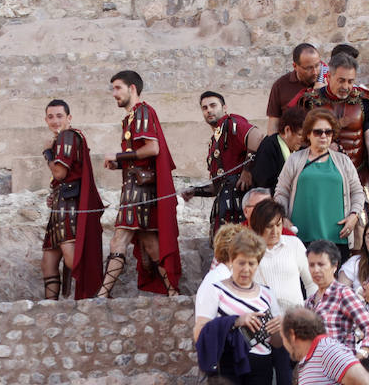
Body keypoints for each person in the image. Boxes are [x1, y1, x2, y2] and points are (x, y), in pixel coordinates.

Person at [193, 229, 282, 385]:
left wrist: (278, 328)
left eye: (251, 263)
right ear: (231, 260)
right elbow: (199, 332)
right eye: (241, 262)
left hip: (260, 364)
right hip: (227, 363)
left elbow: (277, 343)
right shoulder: (216, 289)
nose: (246, 269)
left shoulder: (267, 294)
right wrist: (234, 321)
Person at [99, 70, 181, 297]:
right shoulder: (131, 117)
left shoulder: (142, 111)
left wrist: (118, 156)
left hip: (138, 191)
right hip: (135, 187)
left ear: (132, 88)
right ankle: (174, 293)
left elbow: (152, 148)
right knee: (151, 243)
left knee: (119, 239)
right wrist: (120, 164)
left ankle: (102, 295)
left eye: (118, 88)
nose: (114, 93)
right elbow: (139, 157)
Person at [250, 199, 315, 385]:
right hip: (265, 327)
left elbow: (310, 284)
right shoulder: (250, 252)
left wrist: (310, 318)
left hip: (296, 325)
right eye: (269, 226)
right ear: (258, 227)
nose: (275, 231)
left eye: (278, 225)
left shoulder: (294, 245)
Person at [292, 53, 369, 202]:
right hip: (321, 176)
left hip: (358, 176)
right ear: (329, 77)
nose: (346, 86)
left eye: (350, 81)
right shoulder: (309, 102)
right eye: (341, 80)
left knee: (362, 216)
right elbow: (299, 141)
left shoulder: (363, 101)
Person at [274, 109, 365, 262]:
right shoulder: (294, 160)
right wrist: (283, 218)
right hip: (300, 237)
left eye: (328, 132)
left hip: (337, 237)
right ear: (308, 134)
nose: (323, 136)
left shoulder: (343, 161)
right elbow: (281, 192)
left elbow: (357, 192)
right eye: (318, 132)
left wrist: (354, 215)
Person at [40, 99, 104, 300]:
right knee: (48, 262)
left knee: (72, 258)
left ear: (69, 118)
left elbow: (60, 172)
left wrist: (47, 152)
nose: (55, 121)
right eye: (50, 117)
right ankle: (50, 308)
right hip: (60, 206)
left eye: (59, 116)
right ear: (46, 120)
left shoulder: (67, 136)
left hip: (69, 208)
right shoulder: (63, 138)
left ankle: (90, 300)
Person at [182, 91, 264, 234]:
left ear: (224, 108)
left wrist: (247, 171)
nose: (209, 110)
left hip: (240, 203)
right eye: (205, 108)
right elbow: (218, 186)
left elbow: (257, 136)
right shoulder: (215, 140)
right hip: (225, 206)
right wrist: (194, 191)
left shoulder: (232, 123)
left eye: (213, 105)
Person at [304, 240, 369, 359]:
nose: (316, 270)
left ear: (334, 266)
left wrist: (362, 353)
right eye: (311, 265)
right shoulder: (310, 301)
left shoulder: (343, 294)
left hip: (340, 363)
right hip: (315, 364)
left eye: (321, 264)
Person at [266, 43, 321, 135]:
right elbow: (273, 125)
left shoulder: (328, 82)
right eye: (308, 68)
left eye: (317, 65)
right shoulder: (280, 85)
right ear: (295, 66)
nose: (315, 72)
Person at [252, 106, 307, 193]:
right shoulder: (269, 147)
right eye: (300, 135)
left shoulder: (302, 150)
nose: (303, 139)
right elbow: (264, 184)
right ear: (287, 130)